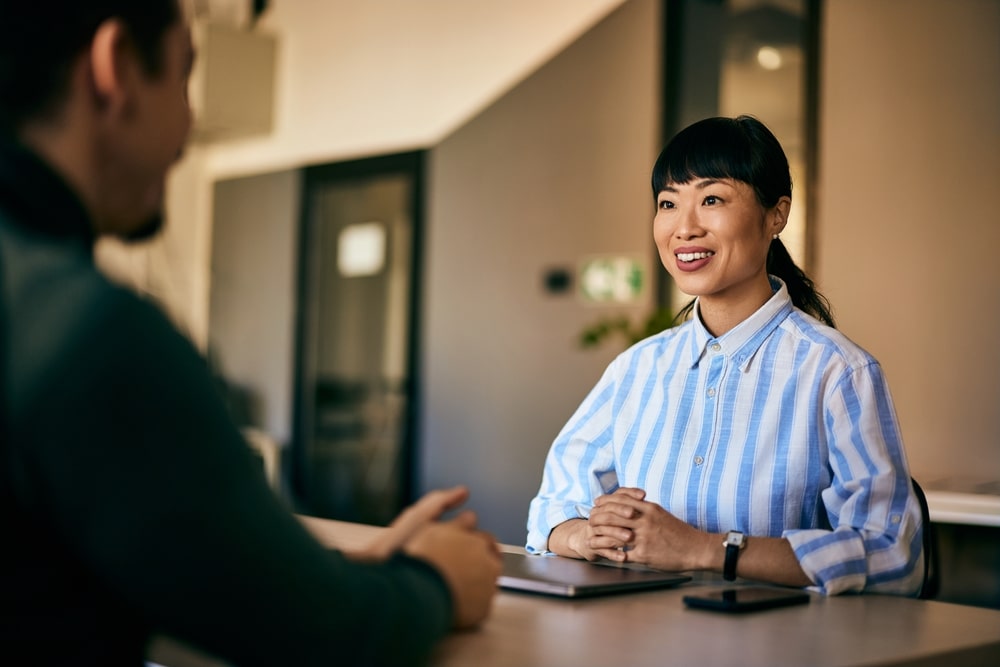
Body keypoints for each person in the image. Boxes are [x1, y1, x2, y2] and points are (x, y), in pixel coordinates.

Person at [0, 1, 500, 665]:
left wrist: (343, 570)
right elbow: (330, 638)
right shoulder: (91, 332)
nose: (189, 123)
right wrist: (436, 579)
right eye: (184, 75)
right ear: (114, 68)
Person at [526, 115, 924, 596]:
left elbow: (888, 552)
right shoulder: (635, 369)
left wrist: (704, 549)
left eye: (711, 199)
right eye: (668, 203)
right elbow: (550, 508)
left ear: (776, 215)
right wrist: (588, 534)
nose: (684, 228)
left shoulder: (837, 372)